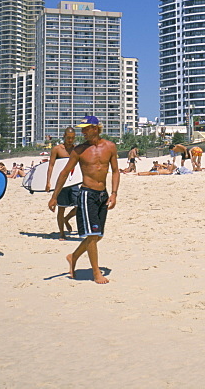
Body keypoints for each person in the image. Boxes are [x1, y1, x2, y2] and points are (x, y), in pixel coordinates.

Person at [49, 116, 119, 284]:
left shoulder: (110, 147)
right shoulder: (79, 150)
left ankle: (73, 257)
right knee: (93, 235)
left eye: (86, 128)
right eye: (82, 129)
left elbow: (115, 171)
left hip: (103, 194)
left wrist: (114, 193)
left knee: (98, 236)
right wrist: (54, 196)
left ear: (95, 128)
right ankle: (96, 273)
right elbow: (65, 172)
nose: (83, 132)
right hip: (87, 194)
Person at [46, 127, 79, 240]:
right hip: (61, 183)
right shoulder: (57, 149)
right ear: (64, 136)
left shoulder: (77, 149)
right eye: (69, 137)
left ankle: (66, 219)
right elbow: (51, 165)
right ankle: (62, 233)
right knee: (61, 208)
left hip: (73, 181)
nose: (71, 140)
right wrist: (48, 182)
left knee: (79, 206)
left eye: (73, 138)